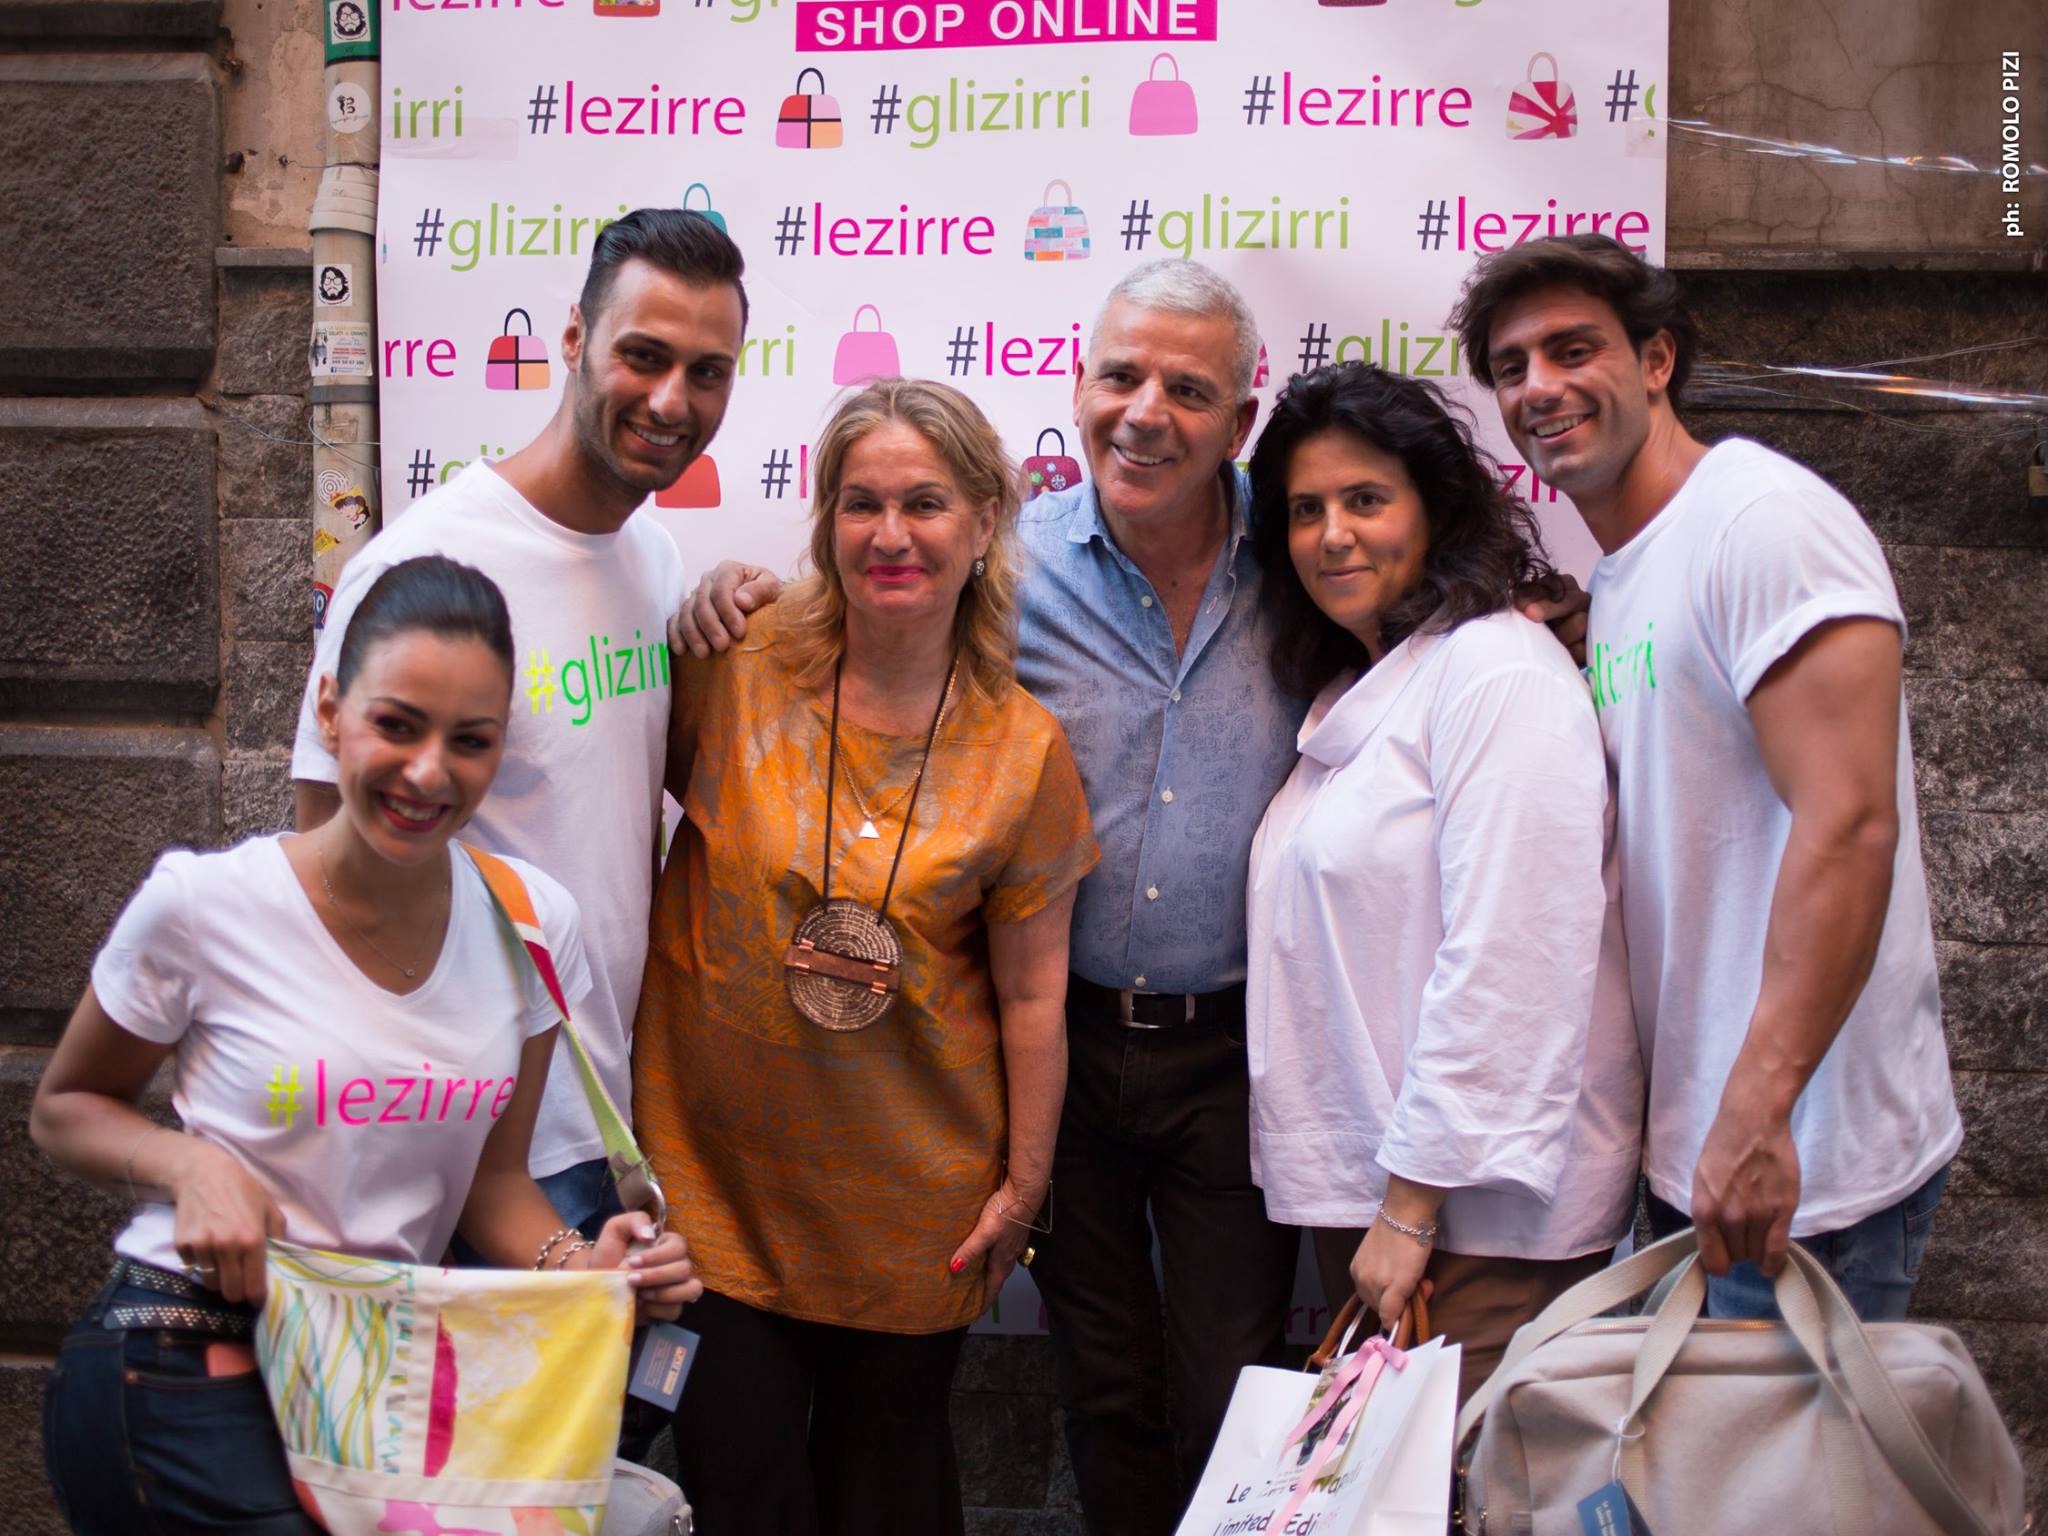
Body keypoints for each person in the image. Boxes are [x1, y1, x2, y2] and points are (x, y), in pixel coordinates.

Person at [674, 262, 1592, 1536]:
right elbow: (877, 615)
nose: (1144, 412)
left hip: (1238, 1055)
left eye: (1187, 389)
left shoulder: (1299, 558)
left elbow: (1420, 648)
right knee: (1101, 1388)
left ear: (1240, 415)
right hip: (1064, 1038)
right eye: (1119, 376)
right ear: (1078, 386)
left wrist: (1529, 613)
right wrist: (741, 595)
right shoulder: (1007, 565)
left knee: (1233, 1386)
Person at [35, 557, 701, 1534]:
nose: (428, 772)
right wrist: (191, 1166)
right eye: (396, 725)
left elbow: (491, 1184)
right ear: (330, 709)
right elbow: (64, 1108)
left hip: (368, 1378)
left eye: (469, 741)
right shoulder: (205, 904)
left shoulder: (529, 921)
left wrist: (583, 1265)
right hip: (184, 1345)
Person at [1450, 234, 1963, 1321]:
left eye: (1572, 349)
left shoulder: (1759, 521)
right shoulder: (1626, 573)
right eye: (1510, 366)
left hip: (1801, 1166)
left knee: (1782, 1446)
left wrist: (1760, 1110)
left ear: (1655, 360)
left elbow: (1849, 823)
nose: (1538, 387)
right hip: (1705, 1151)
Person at [632, 379, 1099, 1536]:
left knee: (885, 1501)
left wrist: (1021, 1192)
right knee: (738, 1494)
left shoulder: (1023, 750)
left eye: (924, 504)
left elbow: (1033, 994)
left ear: (984, 522)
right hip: (713, 1192)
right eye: (861, 503)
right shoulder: (733, 664)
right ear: (825, 518)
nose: (890, 534)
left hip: (911, 1212)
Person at [292, 208, 747, 1244]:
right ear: (575, 337)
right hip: (465, 1145)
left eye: (706, 372)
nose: (671, 400)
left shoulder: (652, 556)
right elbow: (321, 866)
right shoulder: (428, 566)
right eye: (643, 355)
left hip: (606, 1118)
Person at [1243, 362, 1642, 1403]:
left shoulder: (1497, 671)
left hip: (1475, 1219)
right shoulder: (1365, 687)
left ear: (1435, 508)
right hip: (1384, 1203)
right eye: (1305, 510)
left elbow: (1513, 955)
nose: (1332, 534)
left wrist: (1410, 1207)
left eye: (1365, 500)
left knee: (1471, 1482)